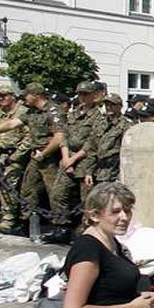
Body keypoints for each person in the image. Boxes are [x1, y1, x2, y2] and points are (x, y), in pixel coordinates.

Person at [0, 82, 69, 242]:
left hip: (50, 158)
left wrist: (44, 153)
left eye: (26, 95)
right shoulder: (31, 112)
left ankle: (61, 228)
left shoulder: (53, 110)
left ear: (35, 95)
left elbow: (59, 138)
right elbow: (12, 123)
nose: (23, 98)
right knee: (28, 190)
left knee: (55, 193)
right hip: (37, 157)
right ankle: (26, 224)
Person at [0, 85, 30, 234]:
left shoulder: (22, 112)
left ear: (12, 96)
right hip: (1, 155)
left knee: (9, 185)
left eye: (4, 95)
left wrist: (16, 155)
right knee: (2, 186)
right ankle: (7, 215)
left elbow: (28, 137)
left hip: (16, 156)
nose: (1, 99)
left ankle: (9, 219)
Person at [55, 82, 100, 217]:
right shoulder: (72, 115)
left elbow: (91, 143)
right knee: (57, 194)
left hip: (86, 161)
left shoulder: (98, 116)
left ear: (94, 95)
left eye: (86, 94)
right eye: (80, 93)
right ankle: (61, 226)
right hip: (68, 157)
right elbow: (64, 136)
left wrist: (73, 159)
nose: (82, 96)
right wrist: (66, 159)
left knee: (87, 200)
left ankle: (86, 229)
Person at [82, 94, 131, 189]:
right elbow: (92, 149)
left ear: (120, 106)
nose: (109, 107)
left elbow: (127, 153)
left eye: (112, 105)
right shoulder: (100, 123)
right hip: (98, 172)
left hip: (114, 173)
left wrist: (121, 176)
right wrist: (89, 172)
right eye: (107, 105)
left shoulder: (126, 126)